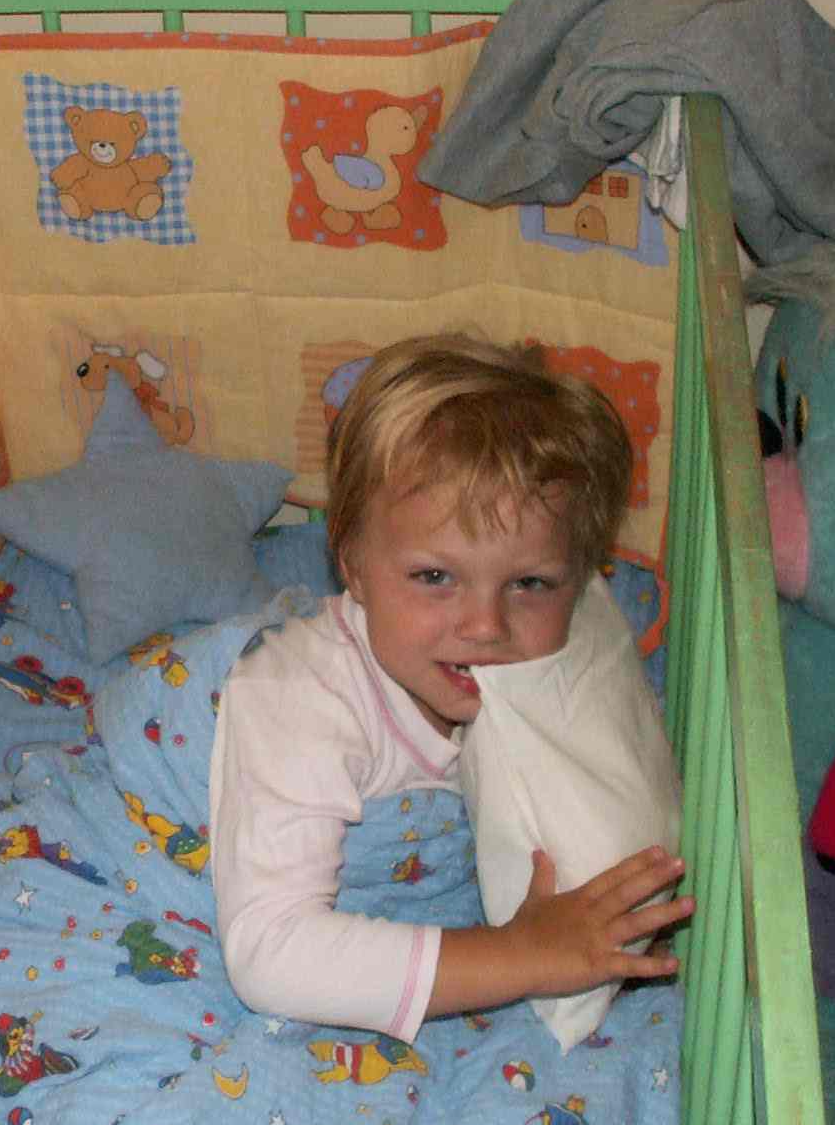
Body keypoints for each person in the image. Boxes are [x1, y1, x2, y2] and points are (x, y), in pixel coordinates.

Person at [210, 334, 691, 1041]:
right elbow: (270, 954)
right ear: (353, 564)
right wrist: (523, 956)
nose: (485, 626)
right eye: (435, 576)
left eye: (529, 583)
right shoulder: (300, 701)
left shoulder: (553, 650)